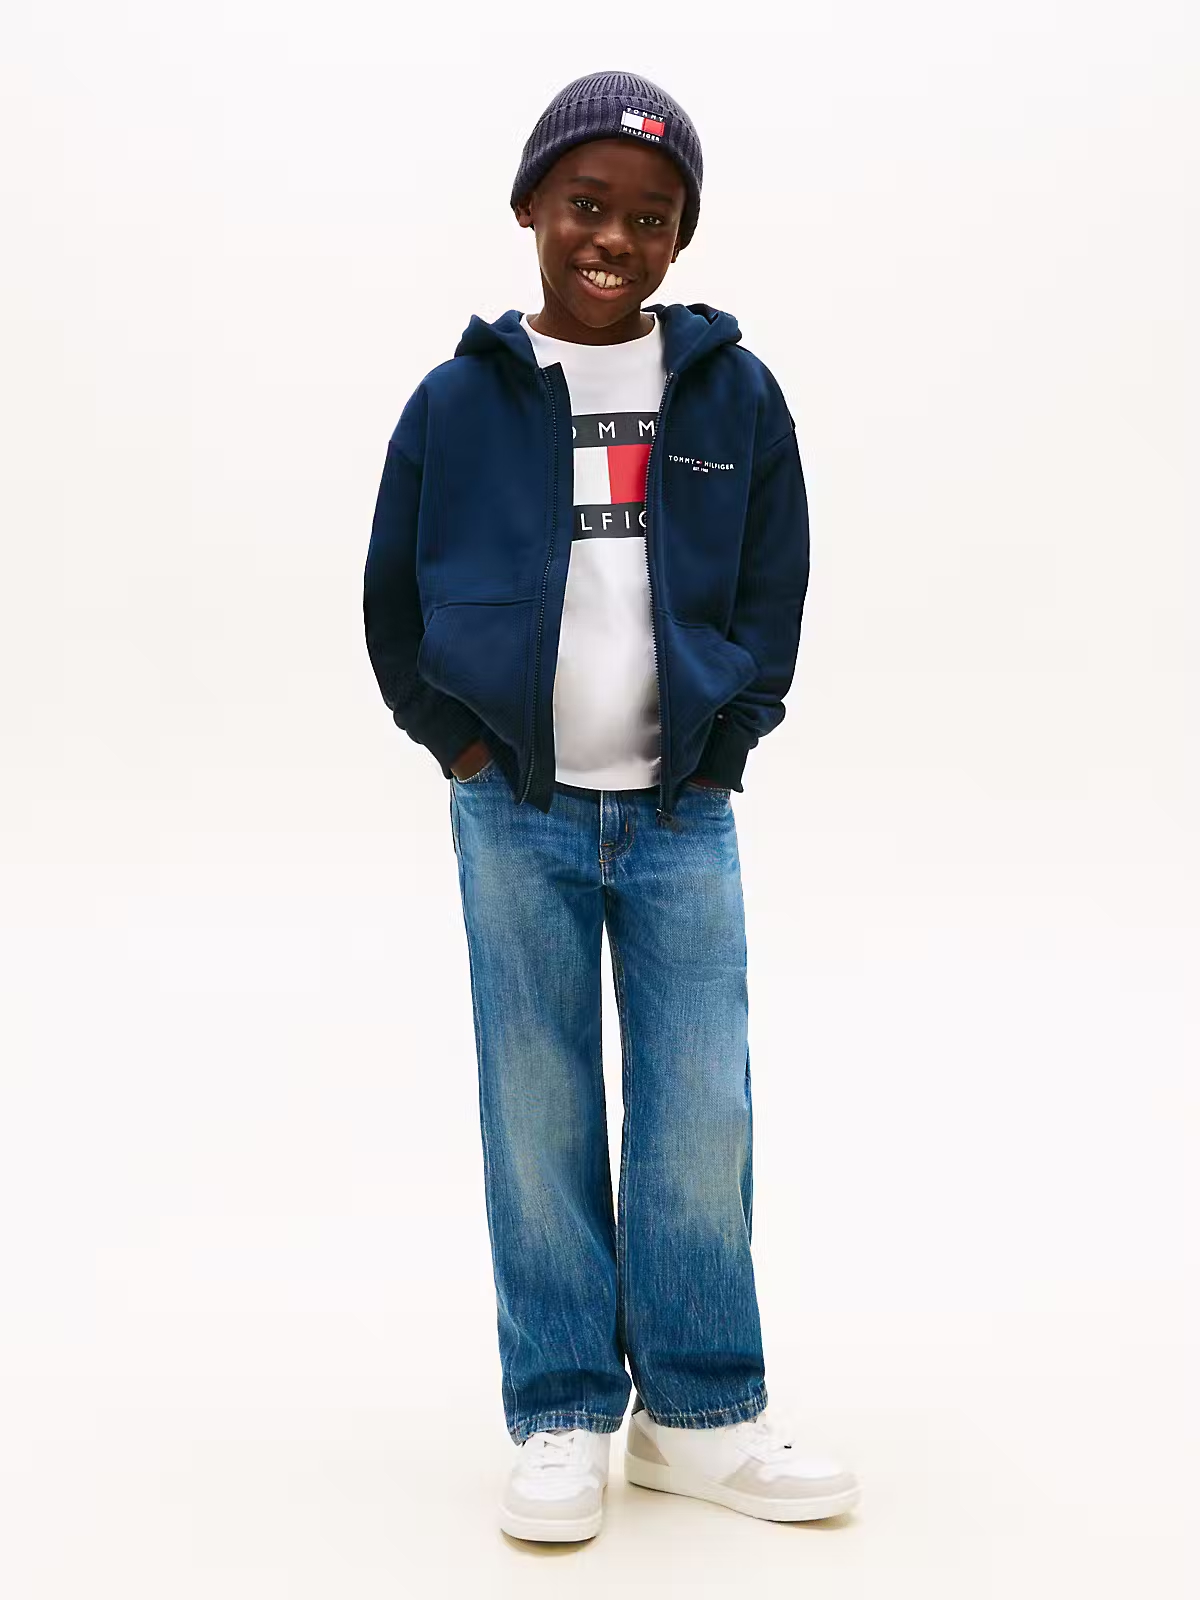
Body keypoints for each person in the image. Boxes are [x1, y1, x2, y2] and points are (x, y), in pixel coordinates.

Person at [363, 69, 859, 1542]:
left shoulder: (733, 394)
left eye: (653, 218)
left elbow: (774, 584)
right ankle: (565, 1412)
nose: (615, 239)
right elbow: (391, 599)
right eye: (588, 205)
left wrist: (724, 746)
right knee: (538, 1111)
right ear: (531, 205)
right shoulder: (457, 399)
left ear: (679, 239)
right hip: (514, 808)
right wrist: (459, 749)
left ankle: (698, 1417)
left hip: (680, 815)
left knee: (702, 1111)